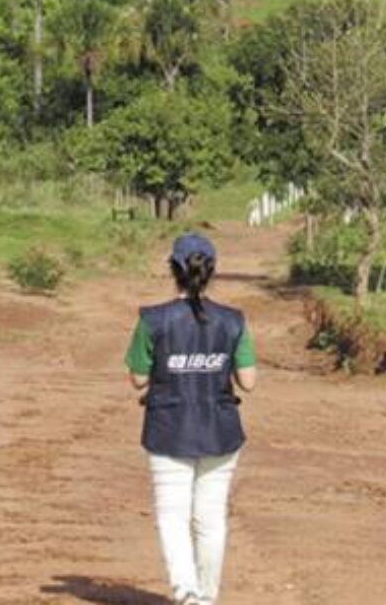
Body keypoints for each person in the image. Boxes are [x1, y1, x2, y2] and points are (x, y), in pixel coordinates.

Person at [124, 233, 258, 605]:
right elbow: (248, 382)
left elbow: (138, 378)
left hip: (168, 430)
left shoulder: (152, 320)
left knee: (173, 515)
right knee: (210, 518)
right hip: (221, 431)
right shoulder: (234, 322)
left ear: (174, 269)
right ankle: (206, 597)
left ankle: (186, 590)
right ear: (211, 271)